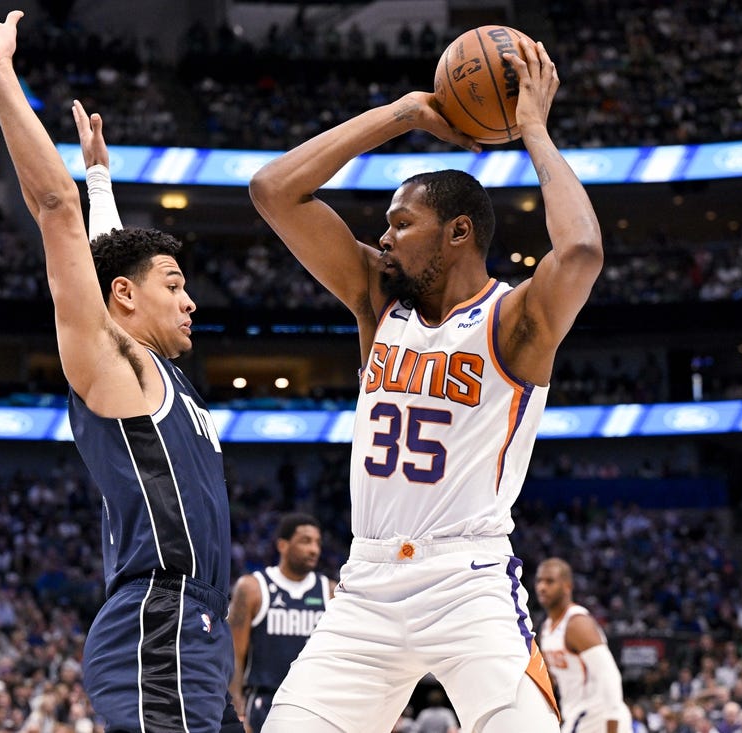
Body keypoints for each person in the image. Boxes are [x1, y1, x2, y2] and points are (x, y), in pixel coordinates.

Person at [250, 35, 602, 733]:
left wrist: (532, 126)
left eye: (401, 223)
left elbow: (583, 251)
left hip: (467, 581)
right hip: (367, 585)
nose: (383, 238)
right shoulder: (378, 300)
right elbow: (273, 190)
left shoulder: (514, 319)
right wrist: (403, 112)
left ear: (458, 233)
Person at [0, 2, 239, 731]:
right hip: (157, 624)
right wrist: (0, 70)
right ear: (127, 298)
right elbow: (56, 213)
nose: (192, 300)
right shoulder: (121, 374)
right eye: (176, 284)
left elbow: (111, 260)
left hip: (195, 634)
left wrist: (102, 178)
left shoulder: (157, 373)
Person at [228, 513, 336, 732]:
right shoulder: (252, 588)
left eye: (317, 543)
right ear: (283, 545)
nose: (314, 549)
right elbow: (233, 656)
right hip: (264, 702)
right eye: (306, 541)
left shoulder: (331, 591)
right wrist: (235, 711)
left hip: (314, 703)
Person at [534, 558, 633, 733]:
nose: (542, 587)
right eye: (539, 581)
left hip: (599, 717)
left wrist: (612, 723)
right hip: (577, 716)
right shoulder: (546, 628)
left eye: (549, 581)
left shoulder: (577, 624)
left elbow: (609, 676)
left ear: (567, 586)